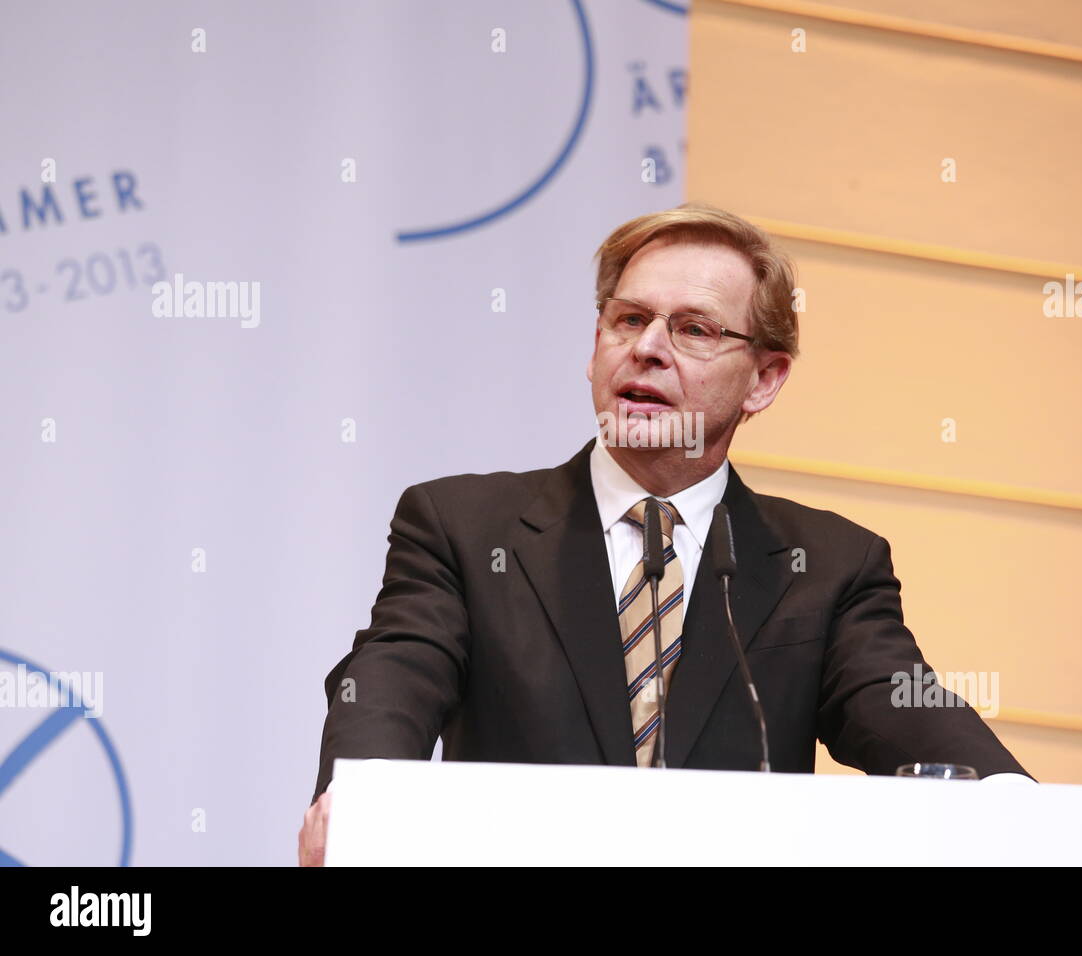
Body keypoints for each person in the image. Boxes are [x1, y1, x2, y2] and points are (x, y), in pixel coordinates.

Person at [298, 202, 1033, 866]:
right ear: (595, 346)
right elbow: (390, 679)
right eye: (629, 319)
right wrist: (359, 801)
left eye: (694, 329)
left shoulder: (828, 568)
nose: (648, 348)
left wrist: (1024, 812)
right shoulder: (461, 527)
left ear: (764, 380)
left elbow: (901, 705)